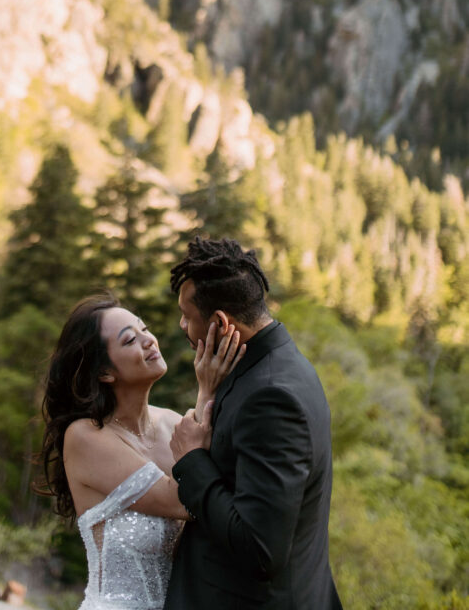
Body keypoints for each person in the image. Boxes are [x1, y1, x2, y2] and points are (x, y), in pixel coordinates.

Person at [165, 236, 343, 610]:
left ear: (219, 323)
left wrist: (192, 461)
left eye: (187, 315)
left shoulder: (271, 396)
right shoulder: (274, 366)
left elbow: (260, 549)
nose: (183, 325)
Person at [39, 292, 244, 610]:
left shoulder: (174, 423)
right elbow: (186, 501)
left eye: (144, 329)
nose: (149, 340)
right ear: (105, 373)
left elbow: (220, 491)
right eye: (129, 340)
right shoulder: (84, 437)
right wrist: (206, 389)